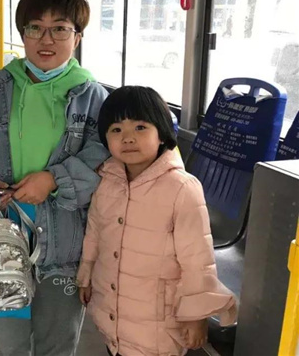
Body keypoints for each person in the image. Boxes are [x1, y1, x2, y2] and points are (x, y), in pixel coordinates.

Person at [0, 0, 110, 356]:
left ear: (77, 37)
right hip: (2, 242)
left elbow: (104, 156)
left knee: (58, 342)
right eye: (35, 28)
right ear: (22, 34)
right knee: (8, 345)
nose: (46, 39)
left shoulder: (95, 98)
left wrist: (54, 179)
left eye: (60, 29)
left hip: (66, 246)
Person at [77, 86, 238, 356]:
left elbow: (198, 260)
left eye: (140, 127)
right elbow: (94, 232)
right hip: (112, 314)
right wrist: (86, 275)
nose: (128, 138)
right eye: (116, 129)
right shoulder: (106, 179)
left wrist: (196, 316)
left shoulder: (182, 189)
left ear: (161, 133)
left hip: (157, 323)